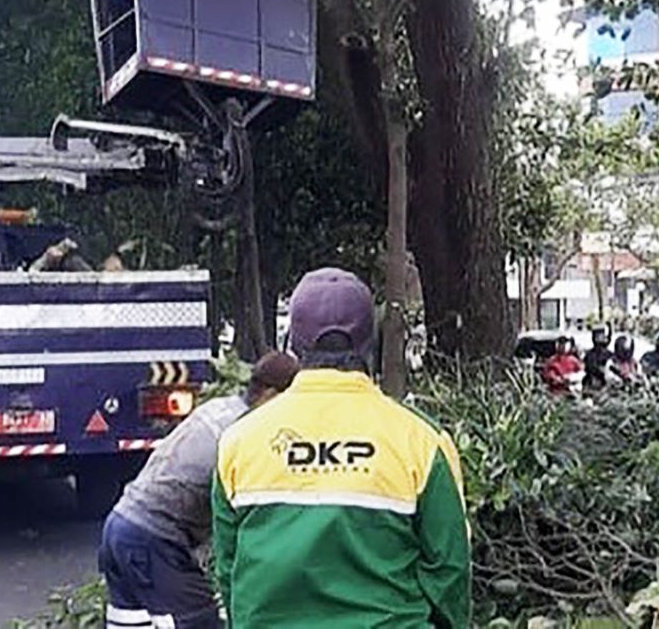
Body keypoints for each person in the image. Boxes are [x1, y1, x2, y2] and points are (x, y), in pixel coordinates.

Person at [212, 268, 471, 627]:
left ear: (292, 346)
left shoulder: (239, 444)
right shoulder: (422, 442)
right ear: (370, 345)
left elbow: (228, 570)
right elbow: (450, 572)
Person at [99, 351, 301, 629]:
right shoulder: (247, 433)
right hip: (155, 538)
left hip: (120, 525)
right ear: (270, 394)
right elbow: (245, 518)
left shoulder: (220, 408)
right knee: (200, 623)